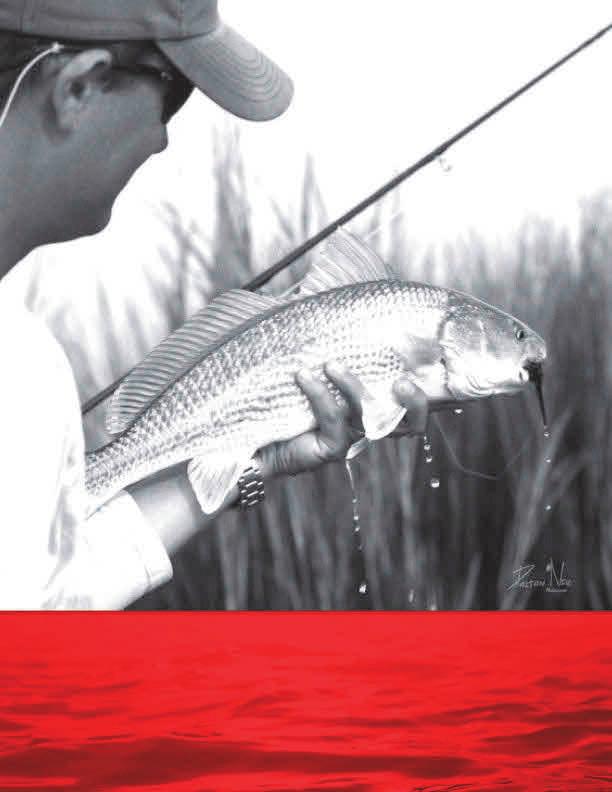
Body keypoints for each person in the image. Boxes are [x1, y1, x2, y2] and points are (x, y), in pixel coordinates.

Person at [0, 0, 429, 609]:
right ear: (79, 86)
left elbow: (35, 599)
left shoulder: (26, 365)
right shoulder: (22, 367)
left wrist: (253, 460)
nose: (162, 139)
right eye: (174, 95)